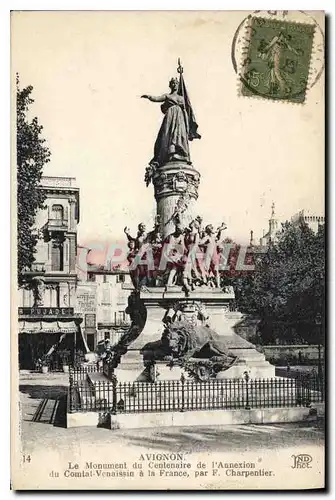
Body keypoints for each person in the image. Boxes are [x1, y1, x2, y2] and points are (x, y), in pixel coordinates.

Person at [141, 77, 191, 167]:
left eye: (176, 83)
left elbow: (186, 110)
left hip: (180, 117)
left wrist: (187, 122)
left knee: (179, 134)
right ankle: (171, 151)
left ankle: (179, 151)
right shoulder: (168, 96)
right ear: (170, 85)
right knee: (168, 134)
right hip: (170, 116)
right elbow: (157, 98)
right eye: (173, 83)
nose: (174, 84)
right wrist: (149, 97)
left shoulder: (182, 98)